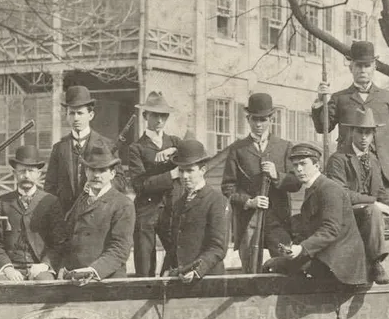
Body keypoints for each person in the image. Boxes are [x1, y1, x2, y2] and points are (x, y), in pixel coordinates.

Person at [325, 108, 389, 289]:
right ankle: (375, 264)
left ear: (373, 134)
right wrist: (374, 203)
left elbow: (381, 192)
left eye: (368, 132)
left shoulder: (373, 160)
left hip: (372, 216)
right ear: (352, 132)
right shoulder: (338, 159)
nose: (364, 137)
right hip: (348, 216)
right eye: (360, 132)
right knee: (373, 210)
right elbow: (341, 194)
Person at [263, 142, 368, 286]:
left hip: (340, 264)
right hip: (328, 256)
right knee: (274, 263)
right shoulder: (314, 189)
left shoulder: (329, 189)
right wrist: (293, 247)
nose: (299, 169)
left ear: (317, 166)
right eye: (295, 165)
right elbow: (309, 229)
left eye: (303, 164)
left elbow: (331, 230)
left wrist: (302, 248)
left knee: (280, 269)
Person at [312, 40, 389, 187]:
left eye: (367, 65)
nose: (363, 70)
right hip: (350, 171)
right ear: (351, 67)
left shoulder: (387, 97)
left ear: (374, 67)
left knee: (388, 208)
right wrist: (320, 102)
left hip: (384, 171)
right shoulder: (339, 98)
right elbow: (323, 127)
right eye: (358, 65)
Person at [222, 93, 301, 270]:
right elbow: (227, 187)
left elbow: (296, 183)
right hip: (249, 221)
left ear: (271, 119)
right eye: (254, 119)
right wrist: (249, 202)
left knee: (286, 265)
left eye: (263, 119)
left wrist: (276, 175)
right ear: (248, 119)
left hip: (278, 220)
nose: (259, 124)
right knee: (250, 270)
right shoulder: (237, 150)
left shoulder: (284, 147)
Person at [0, 146, 65, 281]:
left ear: (38, 174)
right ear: (14, 173)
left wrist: (44, 265)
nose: (26, 175)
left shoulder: (50, 202)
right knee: (0, 286)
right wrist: (7, 268)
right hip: (11, 267)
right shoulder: (2, 202)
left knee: (45, 283)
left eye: (31, 171)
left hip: (39, 267)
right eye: (22, 171)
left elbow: (59, 242)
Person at [126, 91, 181, 276]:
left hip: (172, 209)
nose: (159, 120)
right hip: (146, 212)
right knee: (144, 266)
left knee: (178, 257)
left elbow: (196, 152)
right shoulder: (136, 148)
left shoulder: (174, 142)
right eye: (155, 115)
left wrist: (173, 150)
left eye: (163, 115)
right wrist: (172, 175)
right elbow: (140, 185)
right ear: (145, 116)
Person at [60, 145, 135, 281]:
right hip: (75, 277)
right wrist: (63, 266)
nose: (96, 175)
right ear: (86, 172)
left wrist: (93, 271)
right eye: (92, 169)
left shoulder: (123, 204)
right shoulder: (81, 200)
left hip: (106, 278)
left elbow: (120, 248)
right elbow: (68, 236)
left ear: (112, 174)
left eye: (102, 170)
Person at [45, 85, 124, 212]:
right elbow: (49, 186)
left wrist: (98, 186)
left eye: (80, 113)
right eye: (72, 113)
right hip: (66, 216)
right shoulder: (59, 148)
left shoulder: (107, 145)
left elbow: (120, 182)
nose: (76, 118)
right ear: (66, 116)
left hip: (98, 212)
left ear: (91, 115)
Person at [157, 139, 228, 281]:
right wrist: (165, 270)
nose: (184, 176)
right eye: (181, 171)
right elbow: (174, 245)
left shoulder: (216, 201)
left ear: (203, 170)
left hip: (207, 278)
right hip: (180, 278)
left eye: (190, 170)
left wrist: (197, 271)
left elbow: (218, 247)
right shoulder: (179, 202)